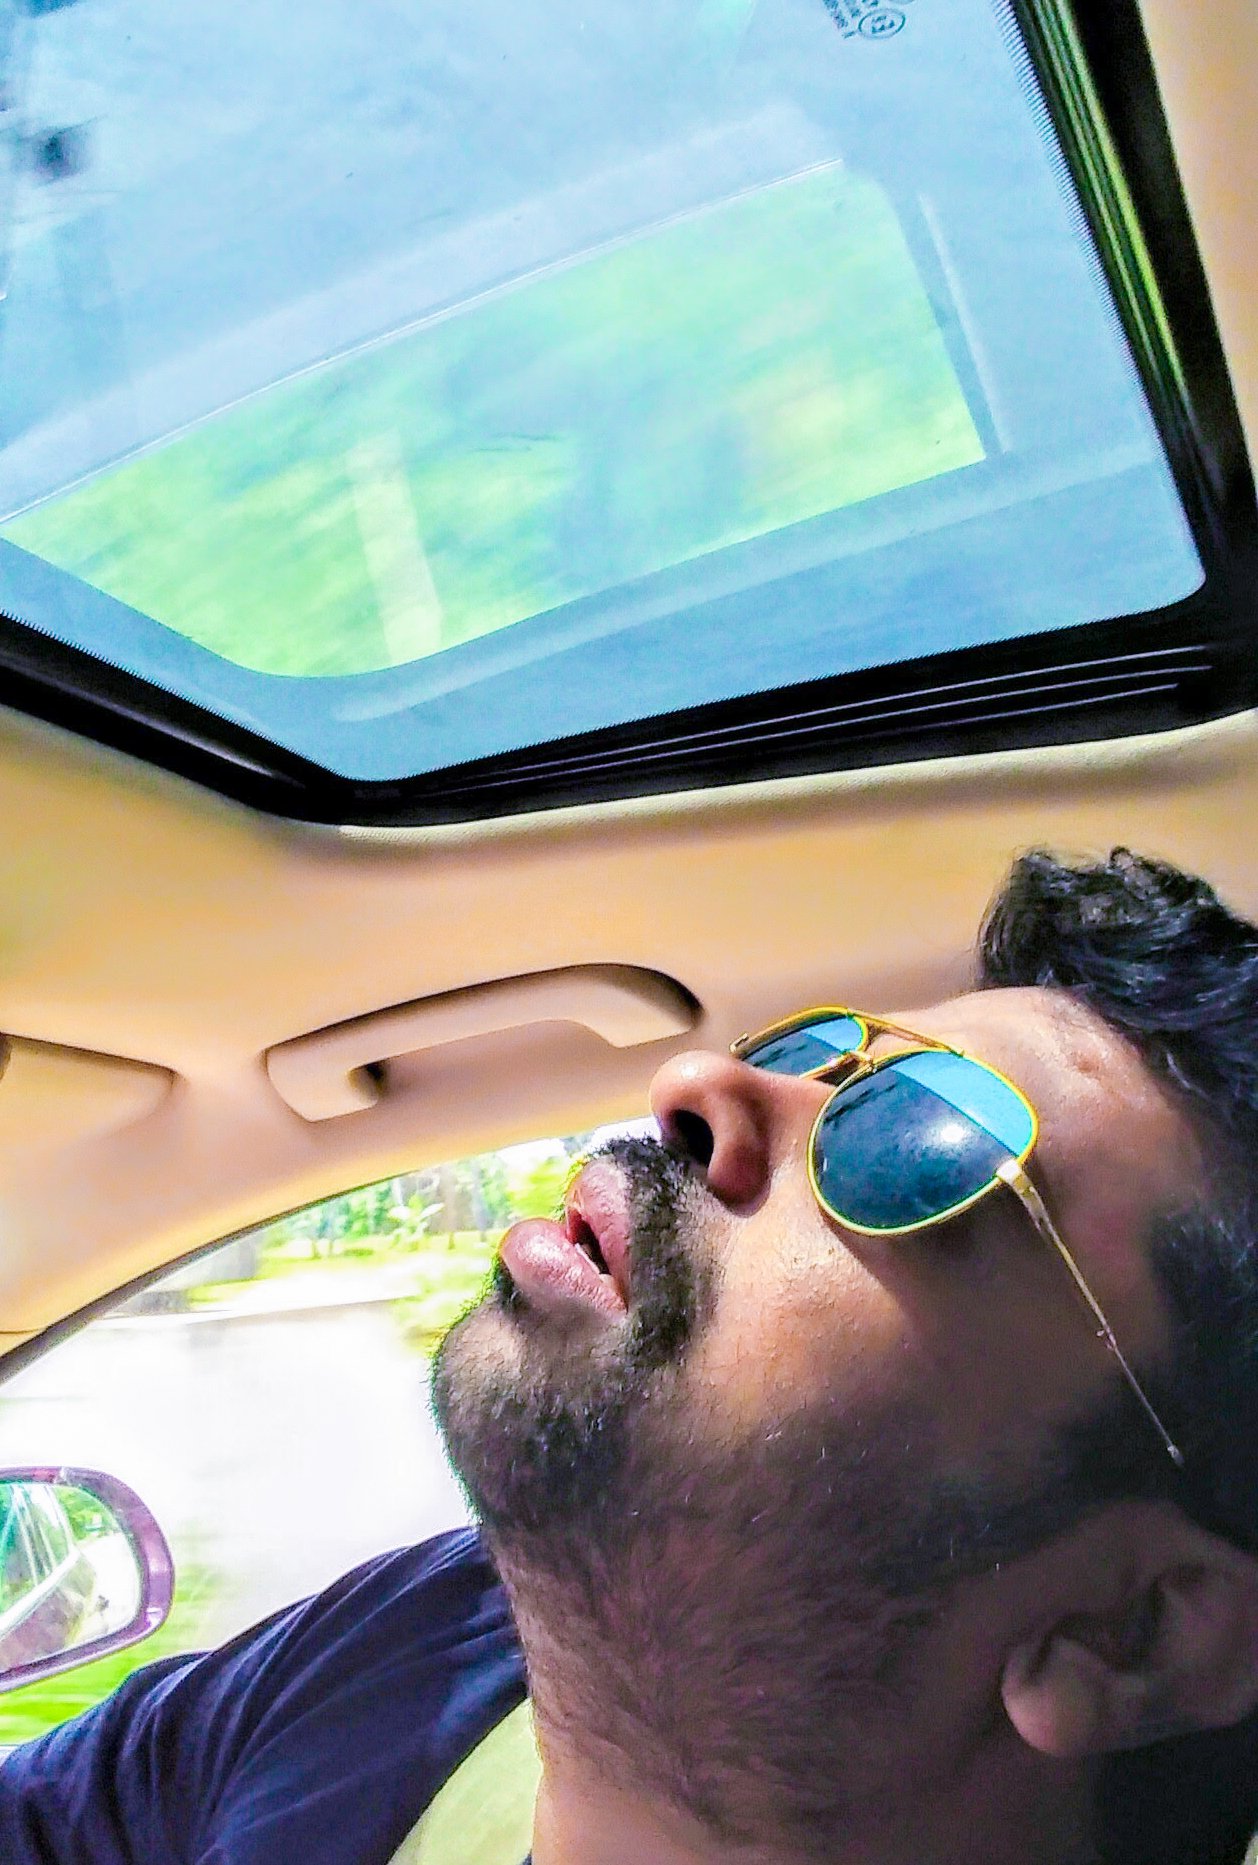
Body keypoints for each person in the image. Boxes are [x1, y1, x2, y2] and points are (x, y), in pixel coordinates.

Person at [3, 845, 1258, 1865]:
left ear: (1132, 1627)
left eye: (924, 1133)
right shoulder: (431, 1636)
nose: (697, 1079)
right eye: (811, 1052)